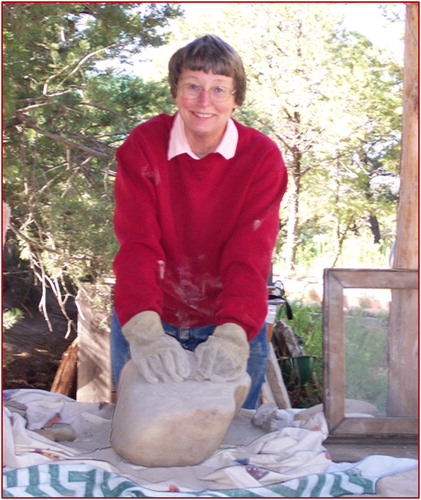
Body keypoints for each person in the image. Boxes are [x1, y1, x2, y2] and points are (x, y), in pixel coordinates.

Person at [111, 35, 288, 409]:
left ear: (237, 99)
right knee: (139, 437)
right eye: (193, 86)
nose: (204, 102)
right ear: (175, 91)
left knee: (231, 442)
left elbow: (250, 253)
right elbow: (138, 243)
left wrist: (233, 331)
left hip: (231, 317)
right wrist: (144, 331)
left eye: (219, 89)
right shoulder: (144, 144)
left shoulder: (261, 157)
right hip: (150, 312)